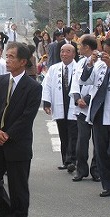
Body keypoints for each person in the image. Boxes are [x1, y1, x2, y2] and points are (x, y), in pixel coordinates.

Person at [0, 42, 42, 217]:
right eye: (6, 56)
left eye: (11, 57)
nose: (7, 60)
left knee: (19, 190)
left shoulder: (33, 87)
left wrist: (7, 134)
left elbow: (27, 117)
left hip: (17, 144)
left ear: (23, 61)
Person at [79, 38, 110, 197]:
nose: (106, 56)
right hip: (99, 114)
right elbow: (84, 80)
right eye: (105, 51)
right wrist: (90, 63)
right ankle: (107, 185)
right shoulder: (100, 66)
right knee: (101, 152)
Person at [42, 44, 78, 173]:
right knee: (63, 134)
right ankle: (65, 160)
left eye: (67, 51)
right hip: (60, 103)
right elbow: (47, 86)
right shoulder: (54, 69)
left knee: (73, 134)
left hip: (74, 105)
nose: (64, 54)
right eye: (62, 51)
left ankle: (72, 160)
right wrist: (46, 102)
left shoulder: (79, 68)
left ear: (73, 54)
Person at [69, 34, 100, 182]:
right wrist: (77, 99)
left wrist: (87, 99)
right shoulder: (80, 62)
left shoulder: (101, 63)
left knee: (99, 141)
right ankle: (81, 170)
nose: (78, 47)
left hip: (95, 107)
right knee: (82, 140)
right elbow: (75, 82)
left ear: (87, 47)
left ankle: (96, 169)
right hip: (81, 108)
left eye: (80, 45)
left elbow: (98, 85)